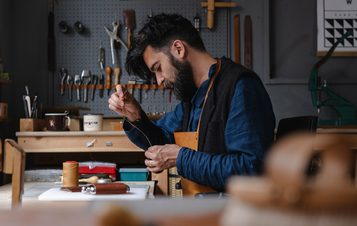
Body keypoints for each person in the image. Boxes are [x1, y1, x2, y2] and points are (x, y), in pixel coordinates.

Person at [108, 13, 275, 193]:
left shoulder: (240, 86)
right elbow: (161, 140)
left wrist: (181, 158)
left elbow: (250, 169)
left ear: (179, 49)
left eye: (158, 68)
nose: (159, 80)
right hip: (200, 211)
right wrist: (135, 116)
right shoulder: (192, 98)